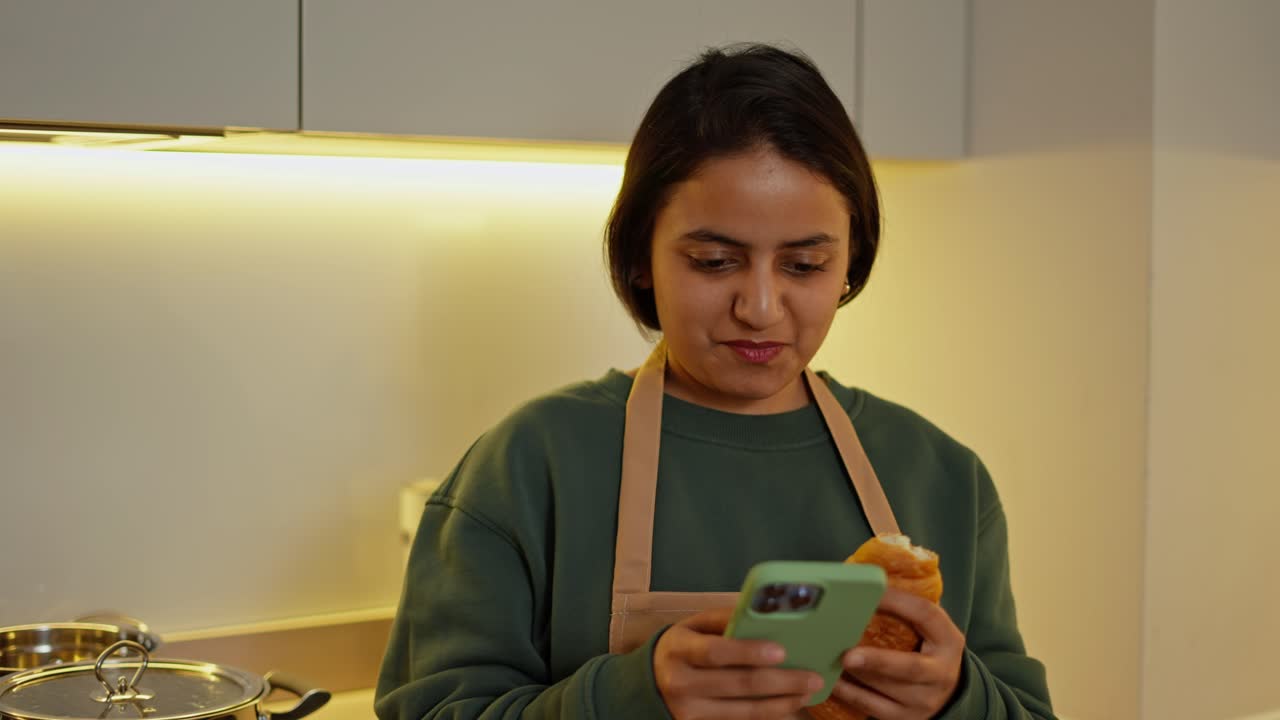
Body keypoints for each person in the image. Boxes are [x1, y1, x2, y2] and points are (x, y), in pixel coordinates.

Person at [375, 44, 1055, 720]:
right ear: (641, 258)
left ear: (850, 263)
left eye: (804, 266)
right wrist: (631, 697)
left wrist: (957, 701)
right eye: (714, 260)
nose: (759, 308)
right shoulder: (529, 466)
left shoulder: (942, 477)